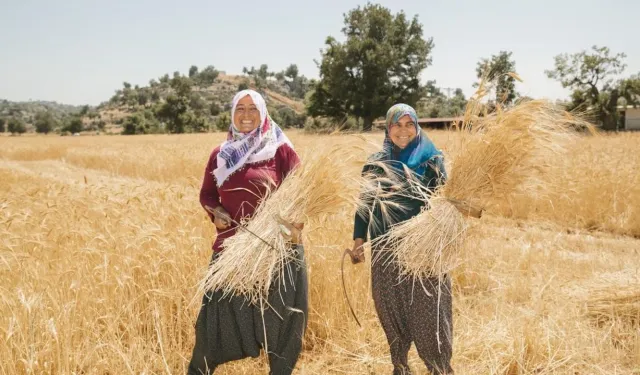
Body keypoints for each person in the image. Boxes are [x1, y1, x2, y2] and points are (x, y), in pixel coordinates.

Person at [188, 89, 307, 375]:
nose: (246, 114)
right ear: (231, 114)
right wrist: (216, 213)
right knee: (213, 319)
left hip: (277, 248)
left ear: (263, 112)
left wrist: (292, 224)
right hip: (233, 249)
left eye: (252, 108)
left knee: (283, 319)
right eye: (239, 108)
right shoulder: (220, 154)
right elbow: (207, 194)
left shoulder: (280, 149)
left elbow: (303, 192)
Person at [349, 104, 453, 375]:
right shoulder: (375, 163)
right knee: (391, 312)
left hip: (423, 249)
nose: (403, 131)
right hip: (384, 249)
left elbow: (446, 202)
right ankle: (400, 367)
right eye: (397, 124)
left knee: (429, 315)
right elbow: (364, 205)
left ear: (417, 127)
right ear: (388, 128)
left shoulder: (432, 160)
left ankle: (439, 368)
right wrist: (358, 241)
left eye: (410, 124)